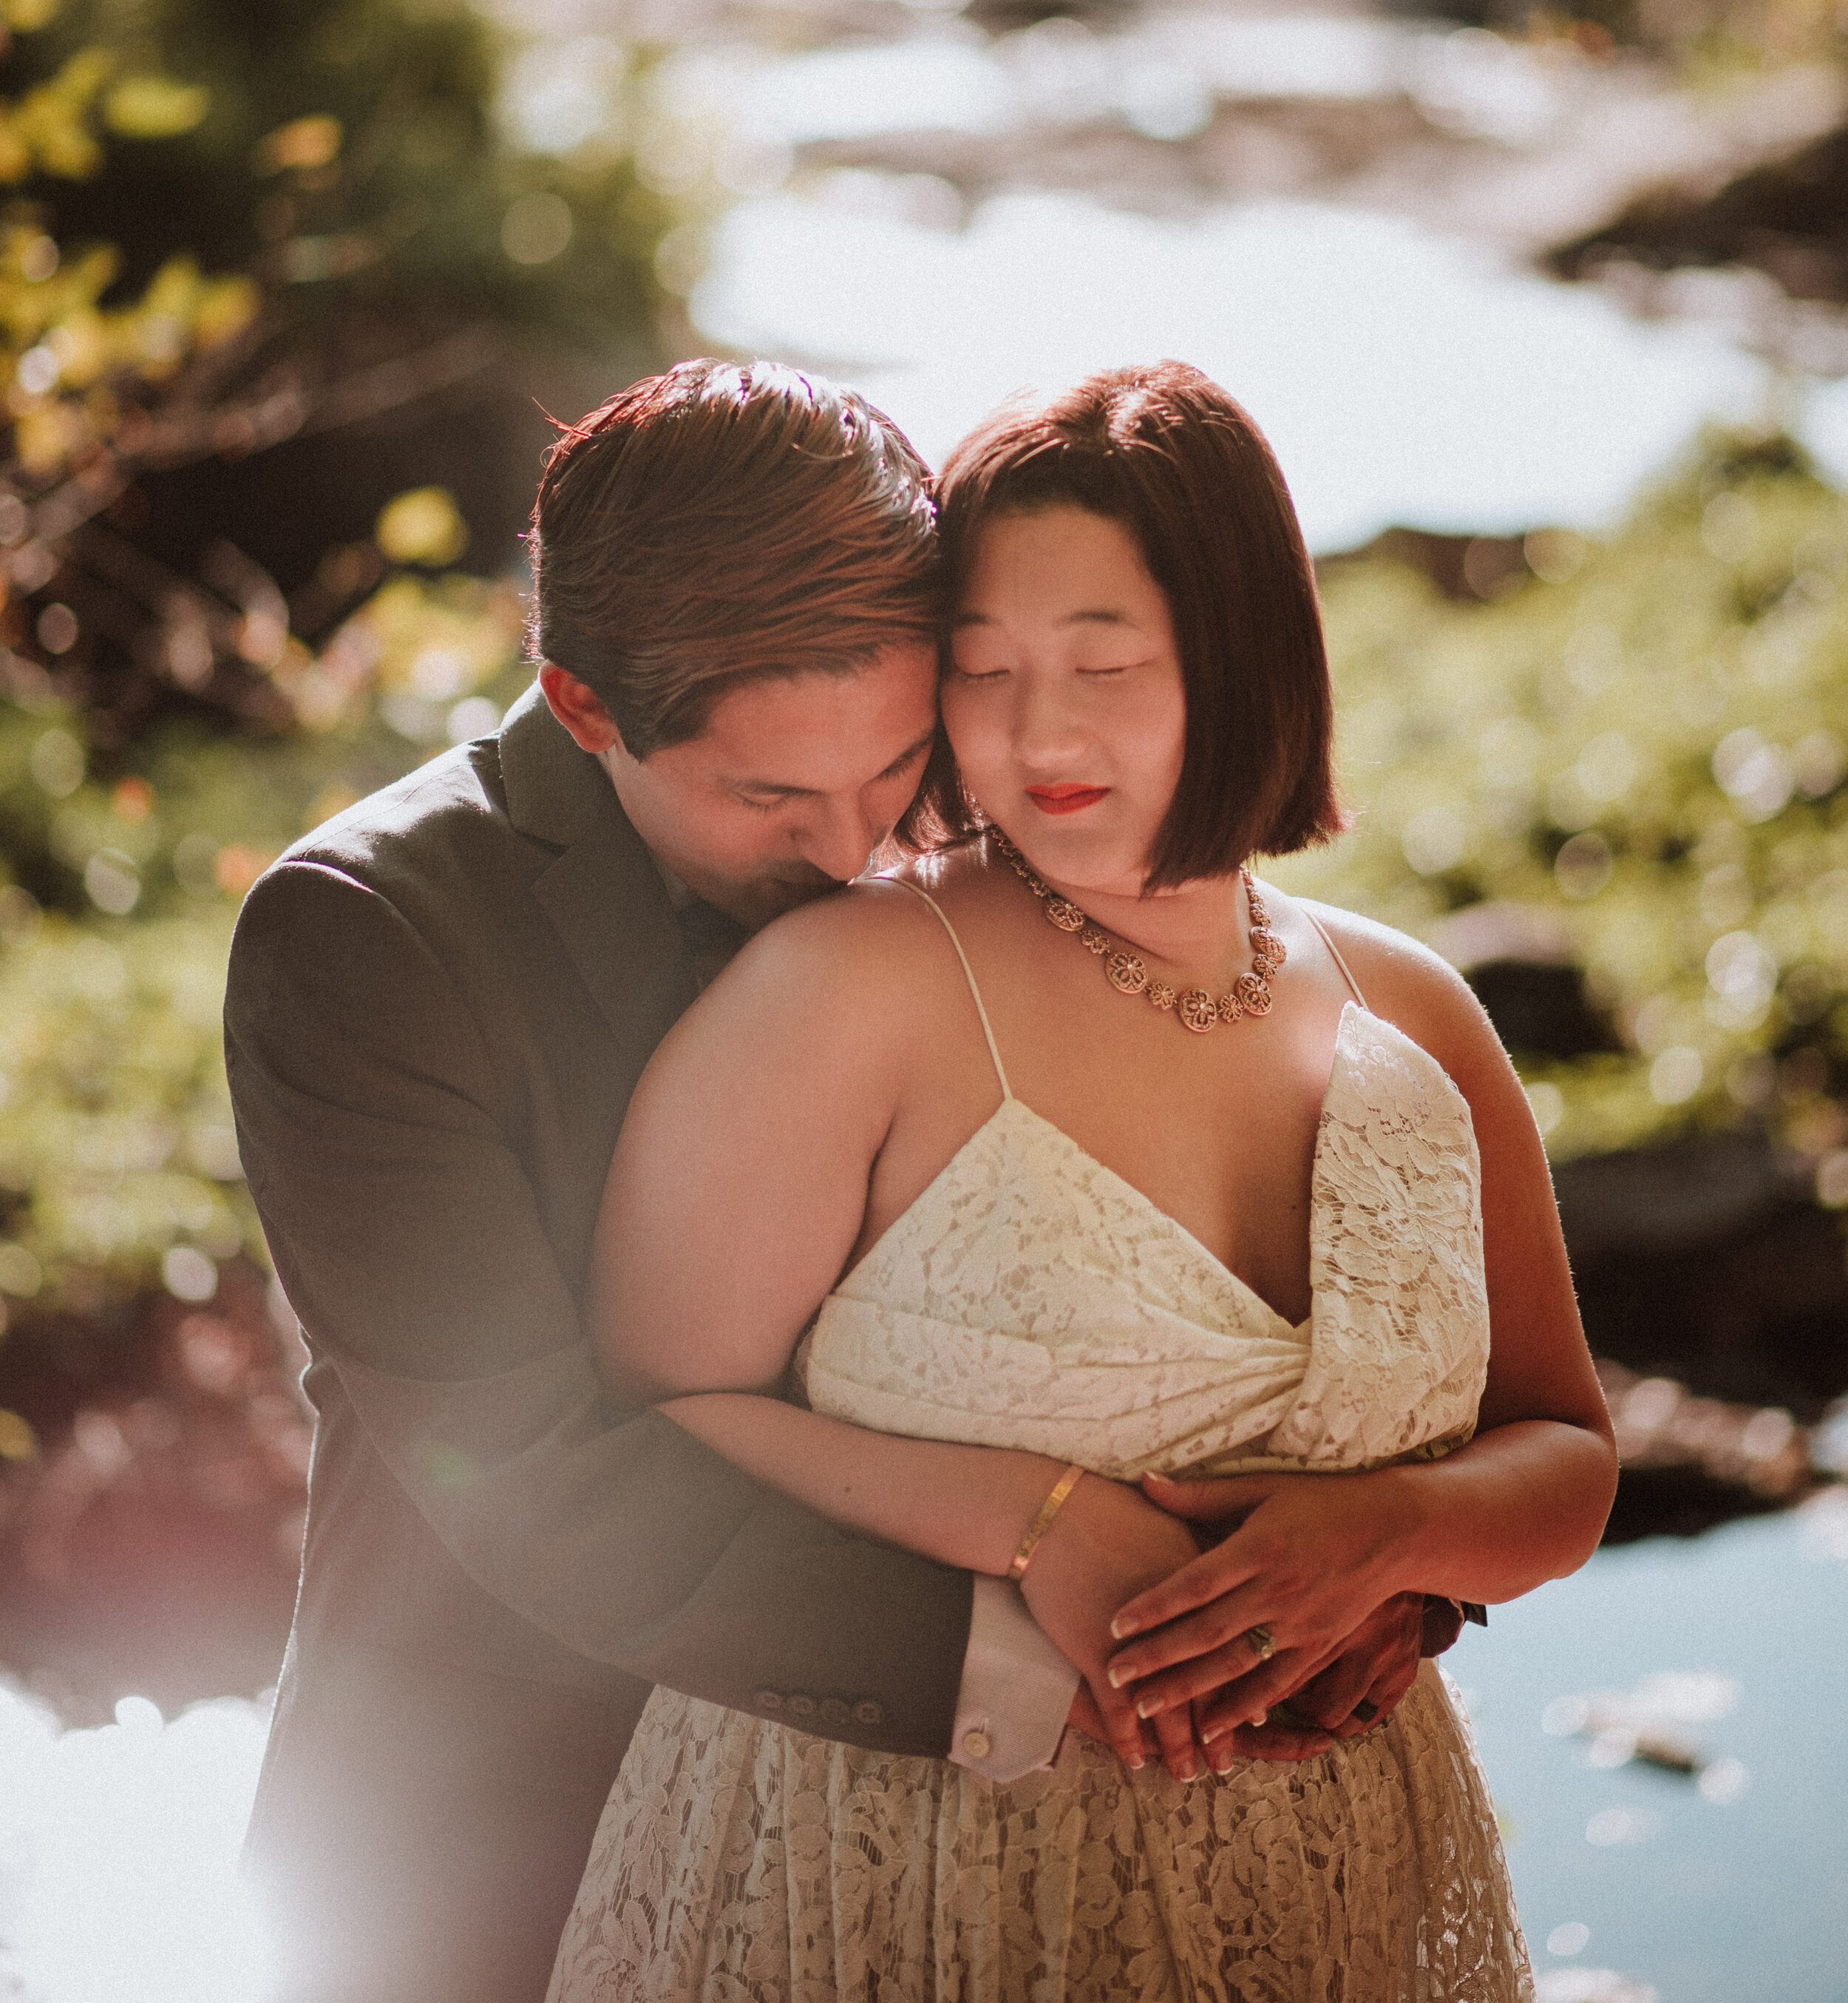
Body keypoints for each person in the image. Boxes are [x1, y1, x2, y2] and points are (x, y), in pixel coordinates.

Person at [225, 359, 1424, 2003]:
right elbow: (523, 1468)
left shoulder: (974, 817)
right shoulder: (368, 939)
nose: (862, 847)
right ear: (585, 703)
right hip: (497, 1829)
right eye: (771, 796)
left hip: (955, 1884)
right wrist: (1064, 1633)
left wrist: (1353, 1576)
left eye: (893, 769)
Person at [548, 362, 1618, 2003]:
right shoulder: (841, 991)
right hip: (910, 1886)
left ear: (1243, 651)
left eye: (1102, 664)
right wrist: (1032, 1515)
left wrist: (1390, 1532)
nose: (1037, 733)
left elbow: (1563, 1453)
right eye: (979, 672)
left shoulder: (1413, 1011)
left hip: (1337, 1872)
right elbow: (656, 1398)